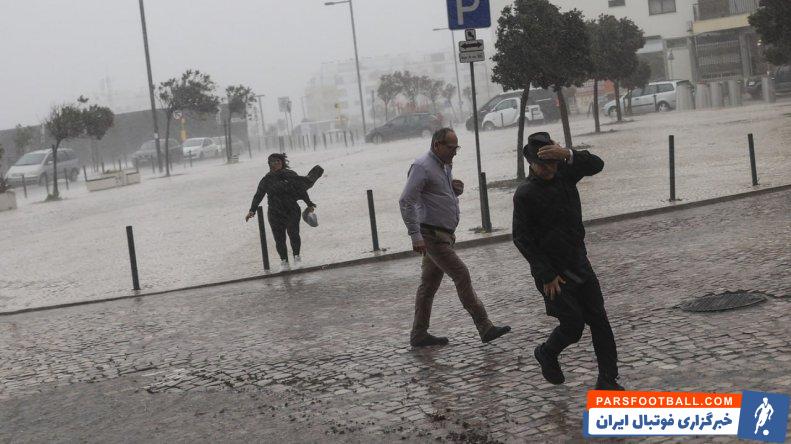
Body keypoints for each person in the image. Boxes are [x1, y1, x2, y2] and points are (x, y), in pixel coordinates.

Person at [512, 131, 623, 390]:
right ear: (531, 163)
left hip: (579, 262)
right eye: (543, 165)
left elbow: (597, 164)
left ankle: (607, 380)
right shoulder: (525, 194)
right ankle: (546, 352)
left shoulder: (565, 174)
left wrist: (567, 154)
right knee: (573, 325)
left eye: (553, 163)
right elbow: (522, 239)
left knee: (599, 320)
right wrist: (546, 274)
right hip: (554, 273)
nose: (549, 169)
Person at [399, 127, 511, 347]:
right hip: (431, 235)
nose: (455, 152)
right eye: (451, 147)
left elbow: (433, 192)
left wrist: (452, 189)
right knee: (461, 274)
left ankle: (419, 334)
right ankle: (484, 326)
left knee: (428, 286)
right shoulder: (421, 166)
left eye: (456, 148)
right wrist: (415, 236)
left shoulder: (445, 165)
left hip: (444, 235)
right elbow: (406, 201)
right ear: (437, 145)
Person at [245, 153, 319, 268]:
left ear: (282, 162)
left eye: (278, 161)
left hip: (291, 209)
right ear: (269, 164)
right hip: (274, 212)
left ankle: (297, 257)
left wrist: (309, 203)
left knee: (294, 234)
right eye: (273, 162)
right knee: (279, 239)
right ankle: (284, 262)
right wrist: (252, 210)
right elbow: (258, 195)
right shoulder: (267, 179)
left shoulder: (290, 175)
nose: (276, 164)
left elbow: (301, 189)